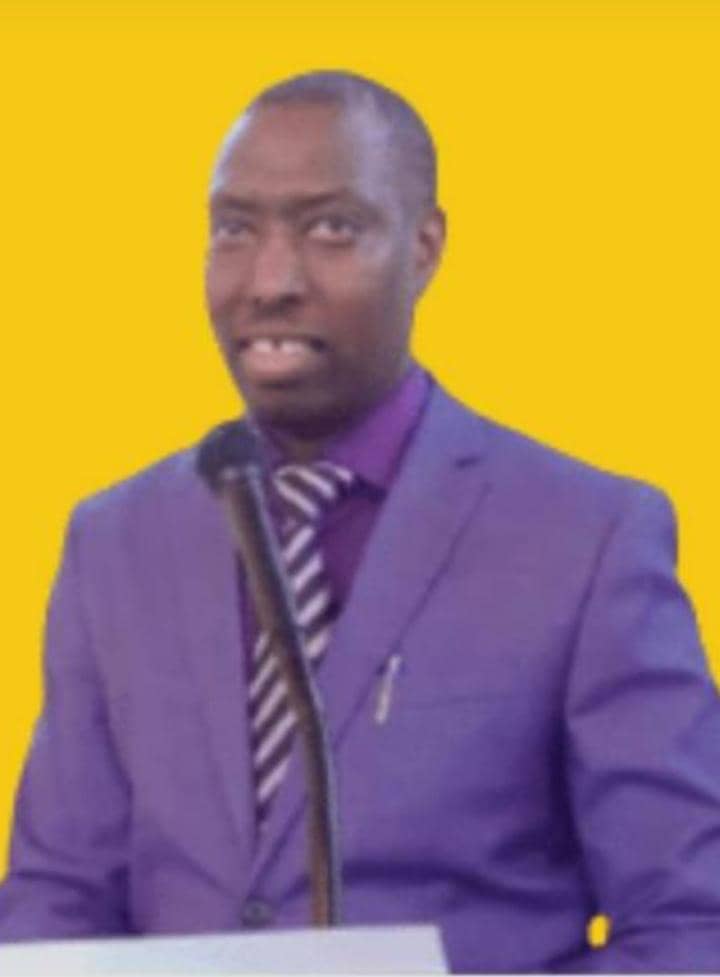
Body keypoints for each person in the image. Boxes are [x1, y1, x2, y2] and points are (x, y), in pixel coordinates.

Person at [1, 70, 719, 973]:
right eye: (235, 229)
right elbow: (57, 897)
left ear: (424, 247)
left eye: (331, 228)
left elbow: (692, 923)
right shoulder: (114, 540)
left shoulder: (587, 537)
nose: (271, 281)